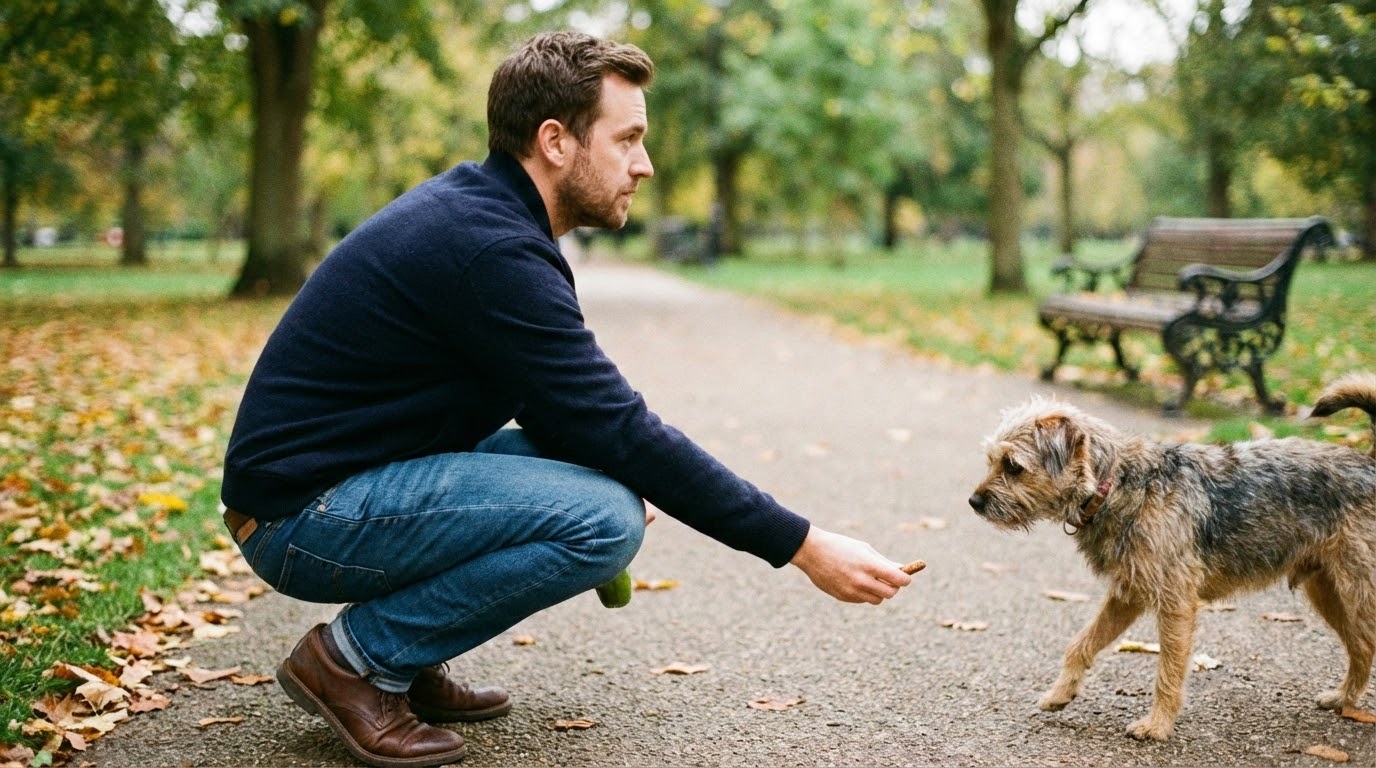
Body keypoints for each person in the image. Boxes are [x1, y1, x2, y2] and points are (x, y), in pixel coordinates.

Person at [220, 29, 914, 768]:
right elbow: (618, 427)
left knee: (601, 480)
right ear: (555, 141)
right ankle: (356, 661)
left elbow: (573, 416)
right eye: (627, 140)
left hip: (344, 481)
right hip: (302, 516)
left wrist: (614, 464)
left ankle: (407, 657)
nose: (645, 164)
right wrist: (803, 545)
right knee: (602, 519)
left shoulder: (491, 218)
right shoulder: (491, 248)